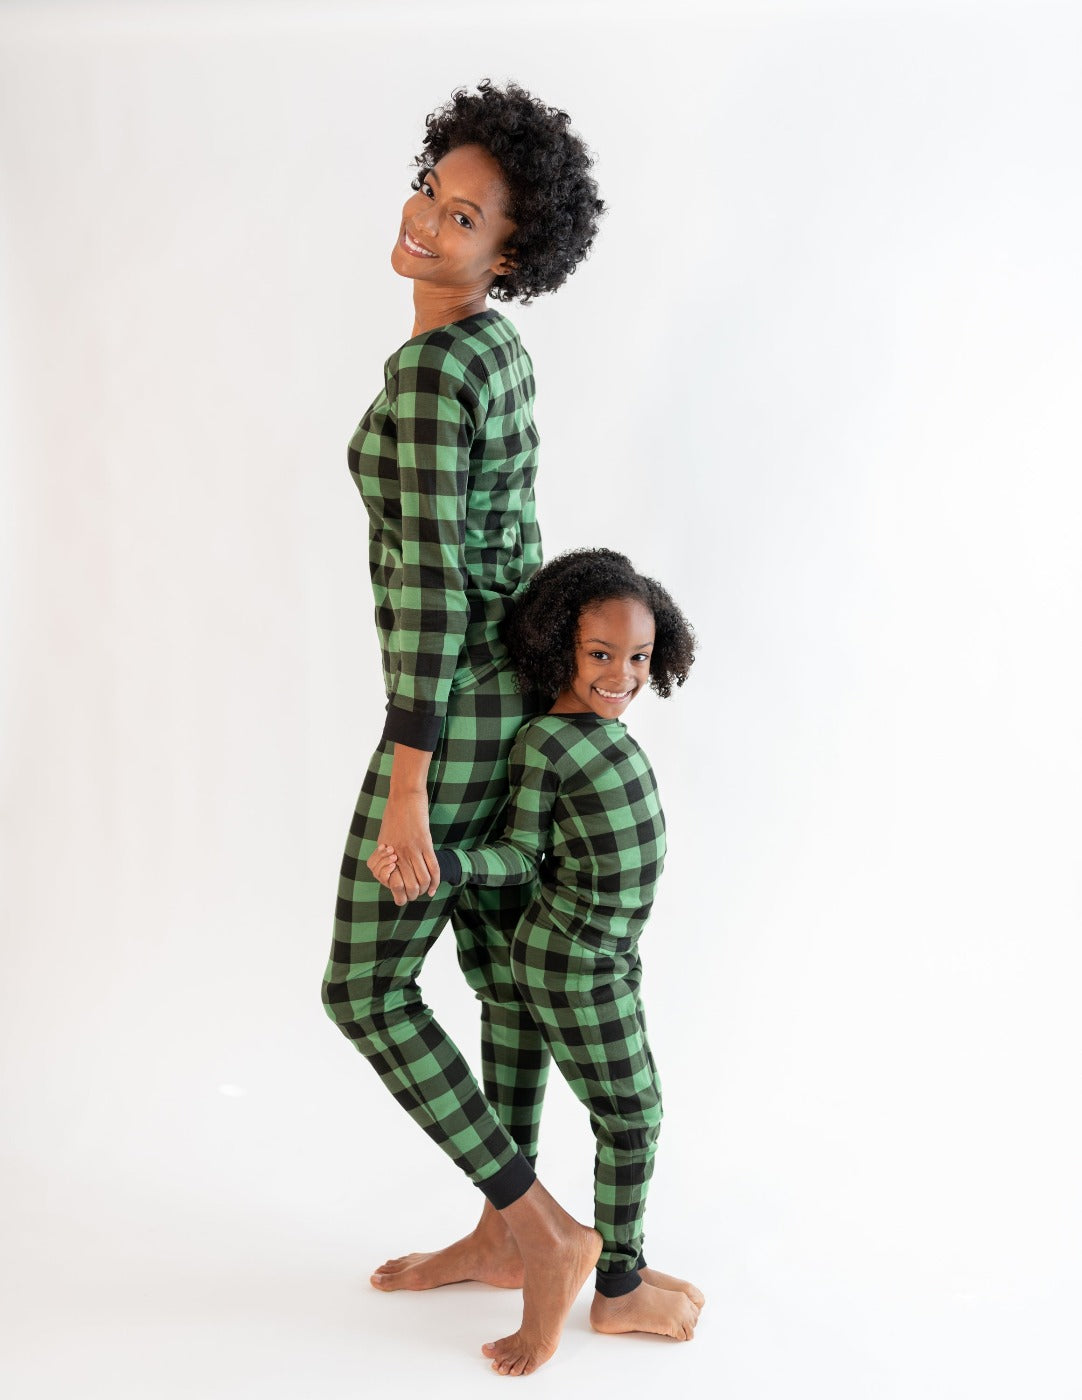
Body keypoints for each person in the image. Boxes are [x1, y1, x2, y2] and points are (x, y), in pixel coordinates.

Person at [320, 83, 605, 1377]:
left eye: (464, 217)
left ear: (509, 252)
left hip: (457, 709)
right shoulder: (490, 349)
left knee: (366, 988)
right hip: (512, 690)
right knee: (492, 971)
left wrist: (409, 781)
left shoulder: (437, 375)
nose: (425, 220)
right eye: (432, 191)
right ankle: (501, 1230)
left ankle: (542, 1231)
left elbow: (435, 587)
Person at [369, 548, 706, 1360]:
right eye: (601, 655)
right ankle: (614, 1290)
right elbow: (521, 855)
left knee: (632, 1111)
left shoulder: (605, 730)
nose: (622, 675)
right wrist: (445, 865)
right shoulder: (548, 742)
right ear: (560, 646)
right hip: (572, 961)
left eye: (639, 658)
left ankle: (619, 1266)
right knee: (633, 1116)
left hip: (611, 952)